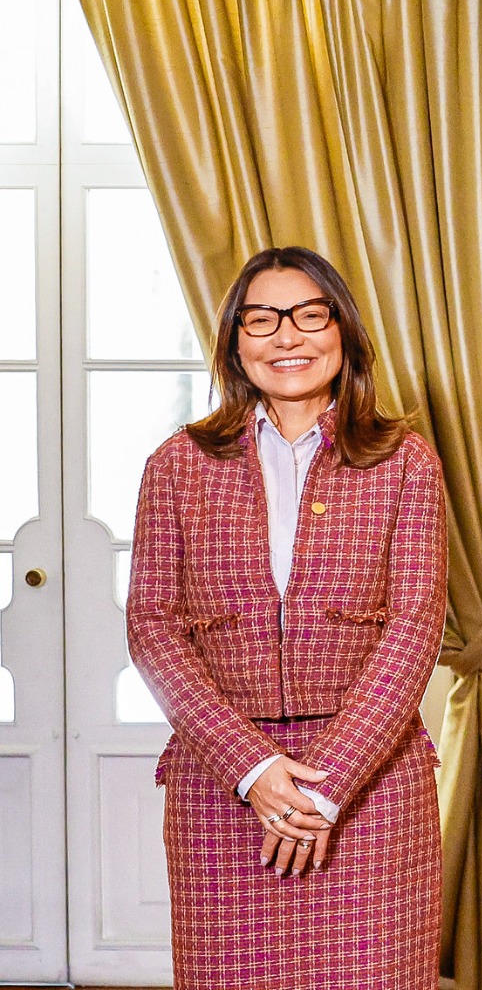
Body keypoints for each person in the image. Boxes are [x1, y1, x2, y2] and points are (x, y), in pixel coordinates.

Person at [128, 246, 447, 988]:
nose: (287, 337)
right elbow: (151, 628)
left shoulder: (405, 462)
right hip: (221, 787)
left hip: (371, 790)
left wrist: (323, 786)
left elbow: (414, 628)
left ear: (344, 333)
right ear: (236, 340)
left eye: (309, 315)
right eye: (262, 319)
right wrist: (254, 769)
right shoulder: (176, 464)